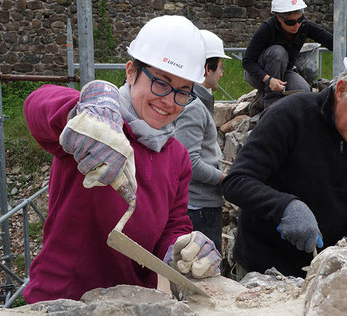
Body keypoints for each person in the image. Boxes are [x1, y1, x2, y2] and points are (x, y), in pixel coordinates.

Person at [22, 15, 221, 303]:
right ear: (131, 72)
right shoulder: (98, 126)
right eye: (161, 83)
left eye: (182, 92)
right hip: (63, 298)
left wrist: (180, 248)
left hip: (133, 301)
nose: (169, 101)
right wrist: (79, 110)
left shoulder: (177, 155)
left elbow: (173, 224)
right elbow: (37, 105)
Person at [222, 39, 347, 280]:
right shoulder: (290, 116)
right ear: (341, 89)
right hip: (262, 271)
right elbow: (236, 181)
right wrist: (285, 207)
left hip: (324, 275)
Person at [174, 30, 231, 254]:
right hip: (199, 208)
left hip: (198, 206)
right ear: (207, 68)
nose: (222, 75)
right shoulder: (194, 107)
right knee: (203, 275)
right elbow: (189, 160)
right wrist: (224, 178)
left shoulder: (191, 100)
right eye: (221, 67)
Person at [243, 0, 333, 108]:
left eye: (300, 19)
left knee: (303, 91)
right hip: (259, 74)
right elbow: (247, 61)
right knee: (278, 52)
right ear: (279, 17)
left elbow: (330, 40)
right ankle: (271, 101)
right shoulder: (267, 28)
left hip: (284, 71)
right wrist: (268, 79)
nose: (297, 25)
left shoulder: (304, 25)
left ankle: (261, 99)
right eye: (291, 22)